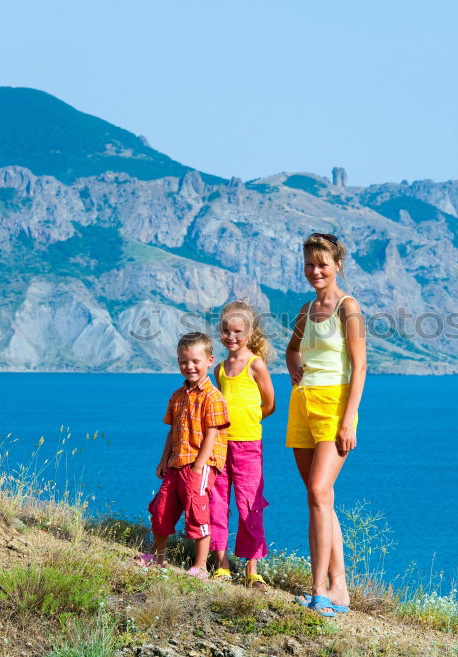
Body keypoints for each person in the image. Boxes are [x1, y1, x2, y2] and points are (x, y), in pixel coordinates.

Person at [285, 232, 366, 617]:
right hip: (302, 405)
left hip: (335, 408)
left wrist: (349, 420)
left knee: (318, 493)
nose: (316, 271)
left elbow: (361, 366)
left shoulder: (349, 308)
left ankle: (319, 591)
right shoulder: (306, 309)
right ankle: (339, 587)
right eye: (310, 264)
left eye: (323, 264)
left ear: (338, 266)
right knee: (321, 497)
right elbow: (291, 349)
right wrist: (293, 368)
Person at [137, 332, 230, 579]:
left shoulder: (213, 397)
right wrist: (163, 459)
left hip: (200, 465)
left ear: (210, 360)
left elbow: (213, 434)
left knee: (198, 511)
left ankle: (200, 566)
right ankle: (158, 558)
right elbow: (172, 430)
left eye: (195, 361)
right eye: (183, 362)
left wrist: (199, 466)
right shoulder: (177, 396)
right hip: (177, 462)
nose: (189, 367)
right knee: (162, 508)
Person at [209, 301, 276, 589]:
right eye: (225, 330)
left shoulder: (255, 364)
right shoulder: (220, 369)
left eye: (237, 330)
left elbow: (270, 403)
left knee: (249, 504)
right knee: (217, 501)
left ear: (249, 332)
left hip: (248, 445)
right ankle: (221, 564)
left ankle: (252, 568)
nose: (231, 336)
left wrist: (250, 421)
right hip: (221, 444)